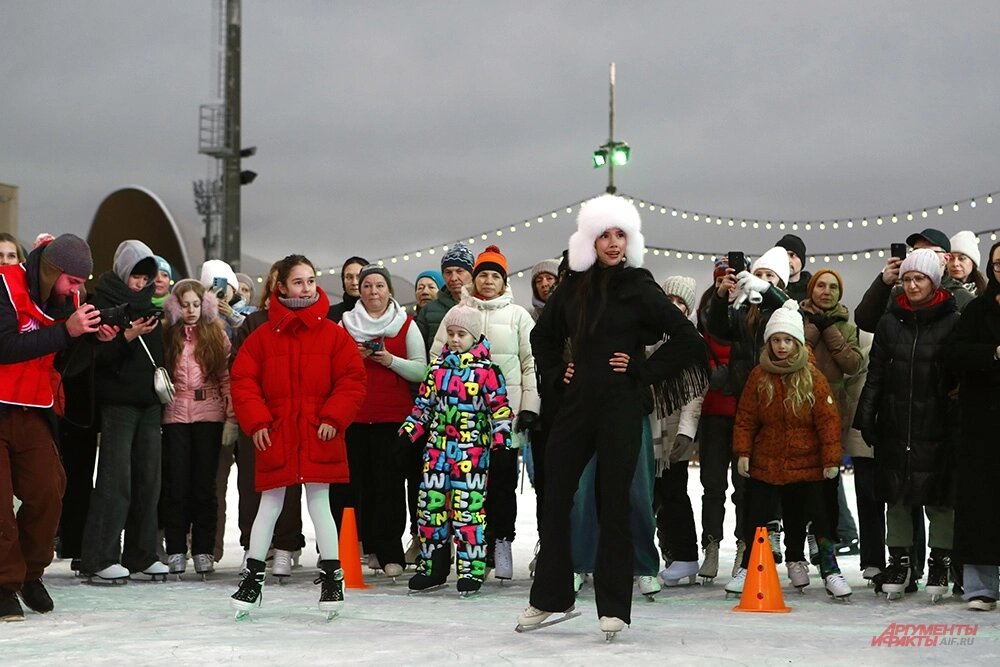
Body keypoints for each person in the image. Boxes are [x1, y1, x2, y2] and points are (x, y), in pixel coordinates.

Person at [518, 194, 708, 637]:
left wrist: (643, 370)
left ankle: (614, 607)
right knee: (556, 499)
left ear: (631, 240)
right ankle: (551, 597)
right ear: (590, 240)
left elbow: (687, 339)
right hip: (575, 407)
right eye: (604, 234)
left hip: (621, 407)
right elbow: (542, 337)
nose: (613, 242)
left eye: (620, 233)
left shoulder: (640, 286)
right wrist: (554, 370)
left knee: (614, 504)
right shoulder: (572, 288)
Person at [229, 254, 367, 616]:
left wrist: (334, 417)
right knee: (270, 505)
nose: (306, 288)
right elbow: (243, 380)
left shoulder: (333, 334)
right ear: (281, 287)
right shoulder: (262, 336)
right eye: (298, 282)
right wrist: (258, 421)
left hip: (318, 433)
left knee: (320, 504)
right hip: (277, 434)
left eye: (310, 281)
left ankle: (332, 579)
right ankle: (252, 579)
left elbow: (352, 379)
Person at [0, 234, 115, 620]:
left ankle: (31, 573)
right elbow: (5, 347)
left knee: (48, 493)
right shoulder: (4, 284)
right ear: (52, 271)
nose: (77, 290)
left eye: (81, 282)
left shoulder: (71, 301)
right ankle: (3, 583)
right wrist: (68, 331)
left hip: (34, 407)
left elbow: (65, 364)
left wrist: (93, 341)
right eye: (72, 281)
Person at [726, 300, 851, 599]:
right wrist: (743, 452)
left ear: (797, 342)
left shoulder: (813, 377)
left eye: (787, 340)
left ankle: (821, 567)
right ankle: (748, 566)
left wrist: (830, 460)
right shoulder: (759, 375)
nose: (781, 346)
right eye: (776, 340)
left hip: (806, 462)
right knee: (756, 516)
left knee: (811, 515)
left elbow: (828, 422)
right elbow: (745, 417)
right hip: (766, 461)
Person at [856, 248, 960, 601]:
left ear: (934, 281)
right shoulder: (890, 320)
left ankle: (940, 561)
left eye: (920, 279)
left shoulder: (952, 319)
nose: (912, 285)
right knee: (896, 494)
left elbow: (959, 375)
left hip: (937, 423)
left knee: (940, 495)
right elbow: (876, 372)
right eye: (907, 279)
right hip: (897, 421)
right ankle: (899, 561)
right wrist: (866, 415)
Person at [431, 245, 538, 580]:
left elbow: (529, 362)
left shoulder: (519, 315)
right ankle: (472, 550)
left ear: (503, 281)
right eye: (483, 275)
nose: (489, 281)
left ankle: (502, 543)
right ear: (474, 279)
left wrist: (529, 406)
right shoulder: (459, 313)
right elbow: (437, 359)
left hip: (504, 415)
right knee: (468, 486)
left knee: (503, 483)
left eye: (495, 275)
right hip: (463, 420)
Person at [400, 302, 512, 594]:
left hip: (471, 454)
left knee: (467, 514)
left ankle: (471, 571)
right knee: (430, 510)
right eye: (450, 333)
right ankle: (433, 568)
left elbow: (499, 409)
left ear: (474, 337)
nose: (454, 339)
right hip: (437, 452)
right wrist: (408, 433)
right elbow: (423, 406)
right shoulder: (436, 368)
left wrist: (502, 443)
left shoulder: (488, 371)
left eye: (461, 333)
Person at [80, 240, 170, 583]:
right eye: (136, 275)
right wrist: (128, 335)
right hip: (117, 404)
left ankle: (142, 553)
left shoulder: (148, 304)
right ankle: (100, 556)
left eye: (147, 276)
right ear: (123, 271)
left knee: (149, 480)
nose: (141, 283)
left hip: (149, 403)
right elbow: (94, 360)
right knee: (115, 481)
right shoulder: (101, 302)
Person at [341, 264, 427, 578]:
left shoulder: (406, 324)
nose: (373, 292)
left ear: (389, 290)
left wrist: (390, 361)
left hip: (394, 418)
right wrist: (356, 358)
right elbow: (333, 367)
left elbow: (422, 371)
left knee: (390, 486)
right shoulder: (346, 324)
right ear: (358, 291)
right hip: (356, 417)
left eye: (379, 286)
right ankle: (370, 549)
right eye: (367, 286)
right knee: (359, 486)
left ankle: (392, 551)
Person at [707, 246, 791, 564]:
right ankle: (748, 551)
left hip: (775, 407)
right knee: (743, 484)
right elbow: (717, 328)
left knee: (768, 481)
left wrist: (766, 290)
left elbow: (792, 311)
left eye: (771, 276)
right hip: (745, 404)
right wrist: (720, 297)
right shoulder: (742, 311)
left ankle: (770, 535)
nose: (763, 280)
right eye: (760, 274)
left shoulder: (783, 310)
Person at [229, 263, 306, 576]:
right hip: (258, 416)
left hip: (293, 417)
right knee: (251, 482)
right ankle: (254, 545)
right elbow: (241, 371)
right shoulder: (253, 323)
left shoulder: (304, 323)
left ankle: (286, 545)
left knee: (290, 484)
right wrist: (256, 413)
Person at [160, 279, 237, 577]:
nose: (190, 310)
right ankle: (176, 548)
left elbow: (225, 377)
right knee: (176, 485)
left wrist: (231, 416)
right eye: (185, 304)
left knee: (205, 486)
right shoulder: (167, 335)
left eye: (196, 304)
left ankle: (204, 549)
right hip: (175, 415)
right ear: (175, 306)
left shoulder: (215, 334)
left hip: (209, 416)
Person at [943, 241, 1000, 611]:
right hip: (985, 423)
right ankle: (981, 587)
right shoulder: (979, 310)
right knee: (982, 503)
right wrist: (993, 353)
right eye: (997, 263)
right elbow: (953, 353)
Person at [800, 269, 863, 558]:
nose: (826, 291)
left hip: (832, 410)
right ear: (811, 289)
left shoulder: (848, 328)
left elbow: (852, 364)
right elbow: (790, 354)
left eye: (833, 287)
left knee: (829, 476)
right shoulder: (796, 319)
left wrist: (829, 331)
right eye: (821, 286)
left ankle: (835, 535)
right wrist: (812, 329)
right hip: (798, 408)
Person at [693, 260, 745, 583]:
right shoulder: (706, 316)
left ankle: (743, 547)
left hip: (743, 412)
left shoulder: (749, 312)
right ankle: (711, 546)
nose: (727, 283)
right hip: (713, 411)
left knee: (744, 487)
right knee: (713, 485)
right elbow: (701, 350)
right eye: (721, 279)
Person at [652, 276, 704, 587]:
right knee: (648, 495)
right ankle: (664, 550)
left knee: (673, 493)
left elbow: (694, 395)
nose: (673, 307)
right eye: (668, 301)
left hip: (673, 435)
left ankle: (685, 554)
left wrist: (686, 433)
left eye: (680, 303)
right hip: (648, 429)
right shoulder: (648, 336)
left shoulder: (690, 341)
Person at [855, 227, 974, 333]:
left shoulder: (963, 298)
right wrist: (883, 284)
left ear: (946, 258)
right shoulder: (900, 293)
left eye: (929, 252)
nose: (921, 257)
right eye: (916, 251)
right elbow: (866, 323)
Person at [415, 242, 474, 355]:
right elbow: (419, 354)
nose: (453, 278)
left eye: (459, 271)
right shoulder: (428, 311)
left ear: (472, 273)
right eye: (448, 272)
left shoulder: (483, 305)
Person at [327, 256, 369, 323]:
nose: (354, 282)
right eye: (349, 277)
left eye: (359, 277)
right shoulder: (329, 314)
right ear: (343, 280)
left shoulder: (382, 313)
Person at [948, 230, 986, 297]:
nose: (955, 263)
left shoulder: (986, 293)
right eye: (951, 258)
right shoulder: (938, 291)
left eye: (962, 258)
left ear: (973, 262)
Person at [775, 234, 811, 301]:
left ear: (801, 260)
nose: (788, 260)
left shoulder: (813, 290)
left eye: (792, 255)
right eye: (783, 255)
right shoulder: (772, 288)